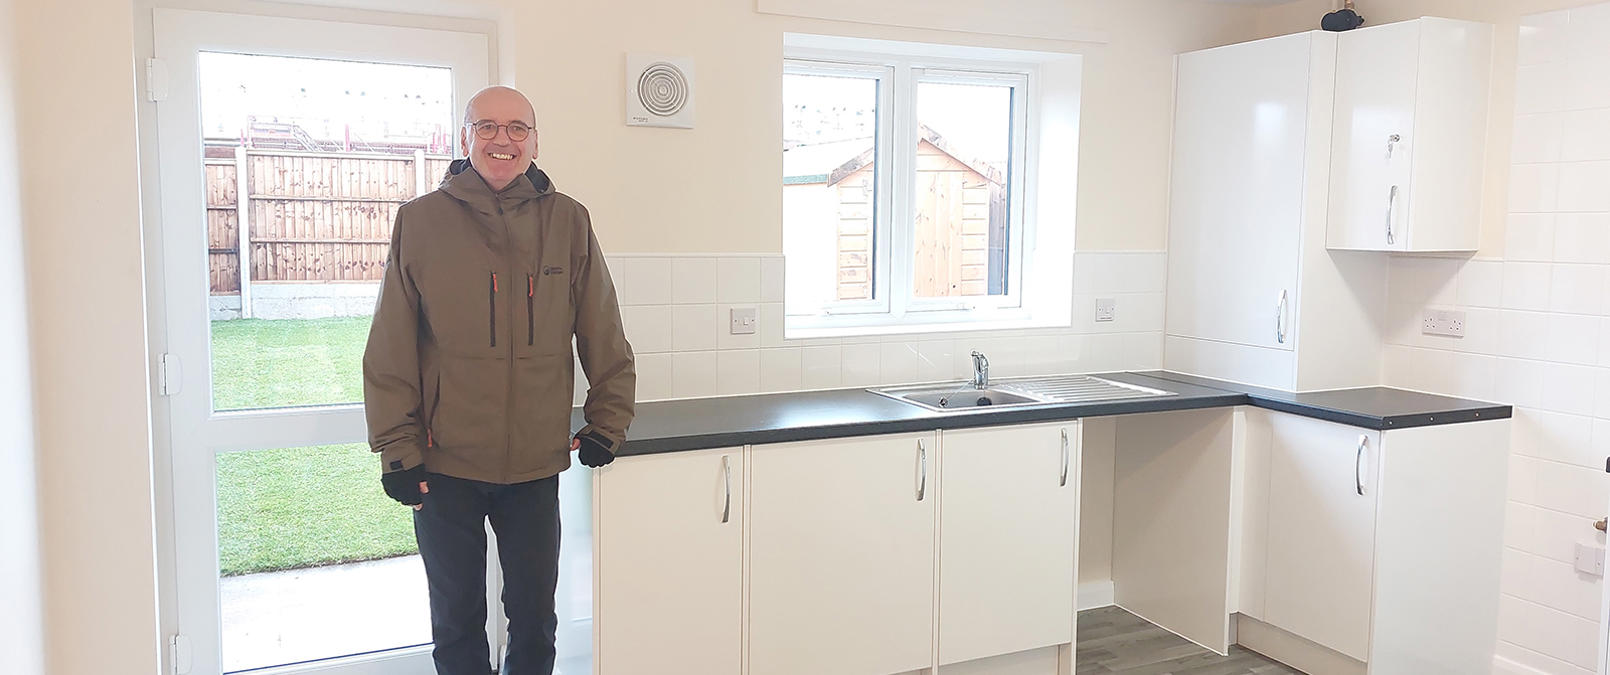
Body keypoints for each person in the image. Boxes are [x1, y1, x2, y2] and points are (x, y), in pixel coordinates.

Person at [363, 85, 636, 675]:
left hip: (535, 466)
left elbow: (602, 329)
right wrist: (397, 450)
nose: (502, 139)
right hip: (444, 465)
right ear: (465, 139)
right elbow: (391, 346)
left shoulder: (568, 219)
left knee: (535, 621)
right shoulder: (420, 221)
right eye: (486, 126)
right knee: (457, 622)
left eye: (517, 128)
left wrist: (607, 420)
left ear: (535, 141)